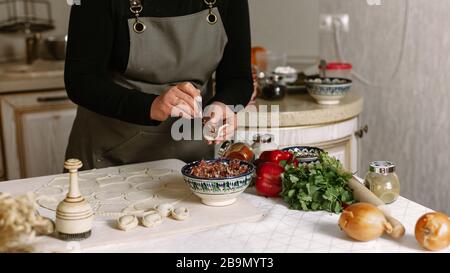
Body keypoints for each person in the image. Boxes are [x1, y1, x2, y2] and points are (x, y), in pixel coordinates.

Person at [64, 0, 253, 170]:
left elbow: (238, 77)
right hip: (109, 155)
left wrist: (223, 104)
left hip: (191, 157)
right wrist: (152, 106)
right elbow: (81, 81)